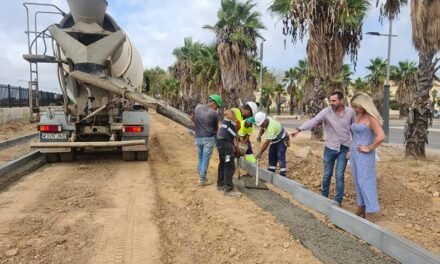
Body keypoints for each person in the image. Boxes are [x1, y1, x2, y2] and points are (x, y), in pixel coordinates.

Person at [290, 91, 355, 205]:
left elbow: (354, 131)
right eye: (330, 101)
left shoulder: (350, 113)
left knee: (339, 175)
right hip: (330, 148)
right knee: (327, 174)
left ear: (341, 101)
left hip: (344, 148)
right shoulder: (326, 112)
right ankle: (323, 198)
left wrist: (352, 149)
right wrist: (299, 129)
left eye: (334, 101)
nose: (331, 103)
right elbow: (313, 121)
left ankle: (337, 201)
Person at [349, 92, 385, 218]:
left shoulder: (371, 118)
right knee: (357, 180)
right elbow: (355, 135)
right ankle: (361, 205)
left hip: (364, 155)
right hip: (354, 154)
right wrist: (350, 150)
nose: (354, 109)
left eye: (356, 107)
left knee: (365, 181)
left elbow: (381, 136)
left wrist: (369, 148)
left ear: (364, 105)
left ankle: (371, 210)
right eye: (353, 107)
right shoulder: (358, 117)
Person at [192, 94, 222, 186]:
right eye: (217, 106)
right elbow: (216, 128)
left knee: (200, 157)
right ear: (214, 103)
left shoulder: (198, 107)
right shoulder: (214, 113)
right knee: (205, 159)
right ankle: (202, 180)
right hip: (208, 139)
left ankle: (200, 176)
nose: (217, 108)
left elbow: (192, 118)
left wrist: (199, 126)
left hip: (198, 137)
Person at [254, 112, 289, 176]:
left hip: (282, 140)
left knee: (280, 156)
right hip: (275, 140)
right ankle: (271, 172)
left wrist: (260, 153)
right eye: (260, 125)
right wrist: (259, 135)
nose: (261, 126)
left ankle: (283, 174)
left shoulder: (271, 127)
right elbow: (262, 128)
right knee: (271, 155)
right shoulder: (266, 120)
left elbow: (266, 143)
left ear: (265, 120)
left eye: (262, 124)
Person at [216, 113, 242, 197]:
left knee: (223, 163)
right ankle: (228, 189)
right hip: (225, 143)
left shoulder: (229, 125)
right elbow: (226, 112)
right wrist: (238, 152)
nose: (238, 129)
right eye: (238, 127)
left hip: (220, 142)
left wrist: (237, 150)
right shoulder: (230, 119)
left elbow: (234, 141)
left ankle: (220, 184)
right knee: (230, 165)